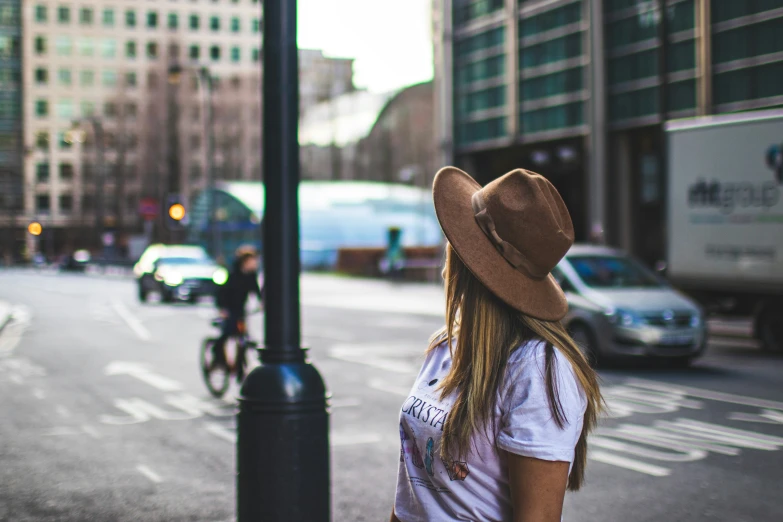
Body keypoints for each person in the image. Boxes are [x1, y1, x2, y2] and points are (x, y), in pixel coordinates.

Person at [392, 168, 603, 522]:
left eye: (456, 239)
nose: (447, 258)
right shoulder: (445, 345)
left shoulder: (538, 367)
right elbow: (411, 495)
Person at [213, 245, 263, 372]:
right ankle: (217, 356)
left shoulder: (251, 275)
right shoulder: (232, 274)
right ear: (245, 262)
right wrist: (223, 309)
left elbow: (255, 291)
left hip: (241, 310)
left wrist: (262, 302)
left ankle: (240, 365)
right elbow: (221, 292)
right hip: (229, 309)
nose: (255, 264)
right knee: (228, 333)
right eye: (253, 261)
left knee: (243, 338)